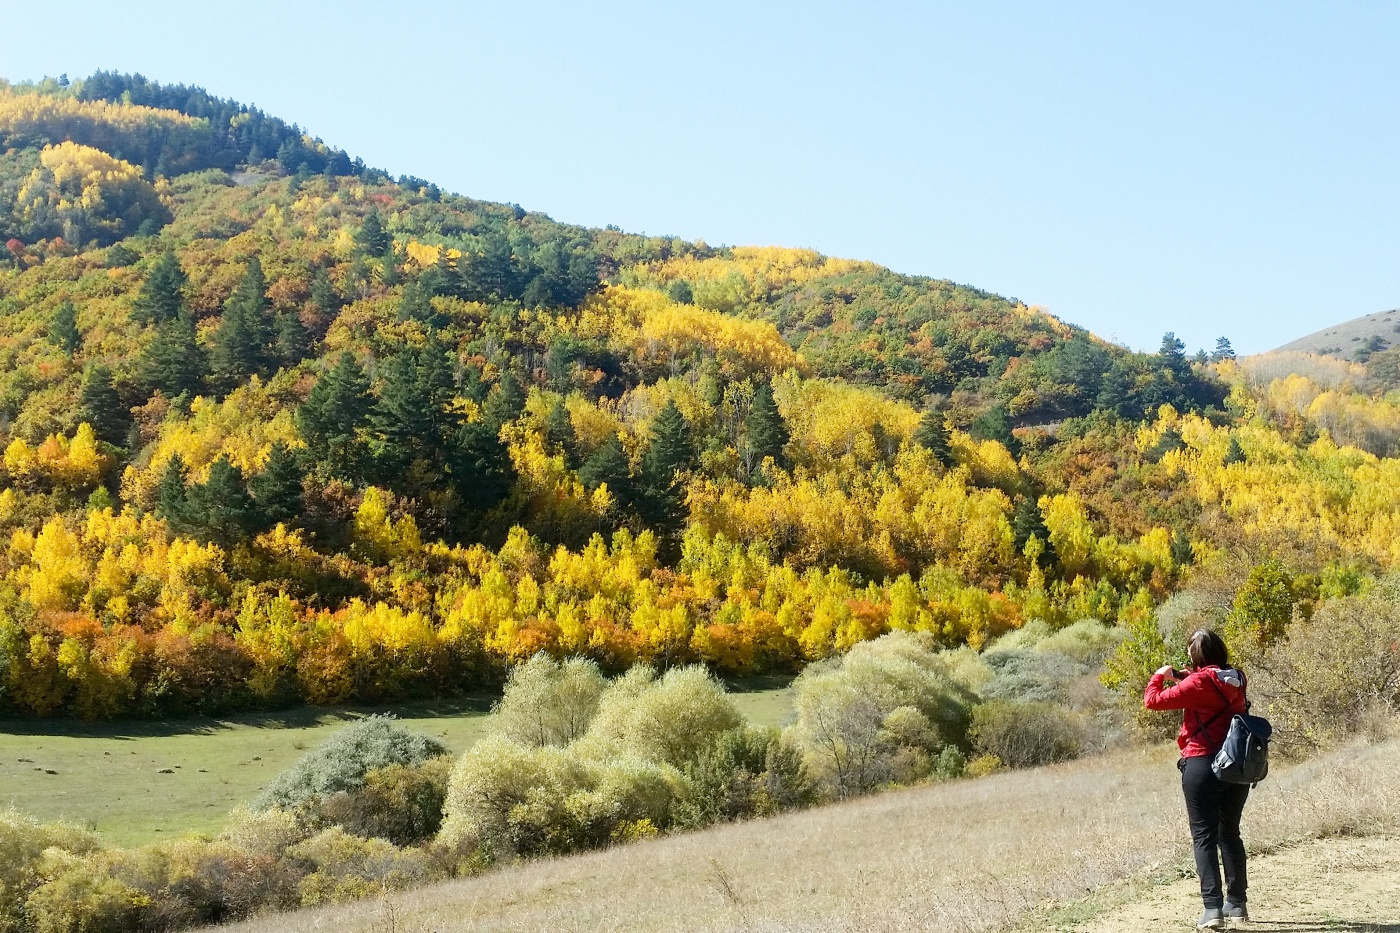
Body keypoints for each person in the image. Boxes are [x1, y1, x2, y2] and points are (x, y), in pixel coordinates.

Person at [1144, 629, 1250, 930]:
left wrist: (1159, 676)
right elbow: (1209, 685)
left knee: (1203, 835)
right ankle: (1237, 904)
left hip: (1202, 763)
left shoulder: (1198, 682)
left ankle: (1212, 908)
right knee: (1229, 832)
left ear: (1196, 657)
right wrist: (1185, 677)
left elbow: (1153, 701)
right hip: (1235, 764)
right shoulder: (1237, 677)